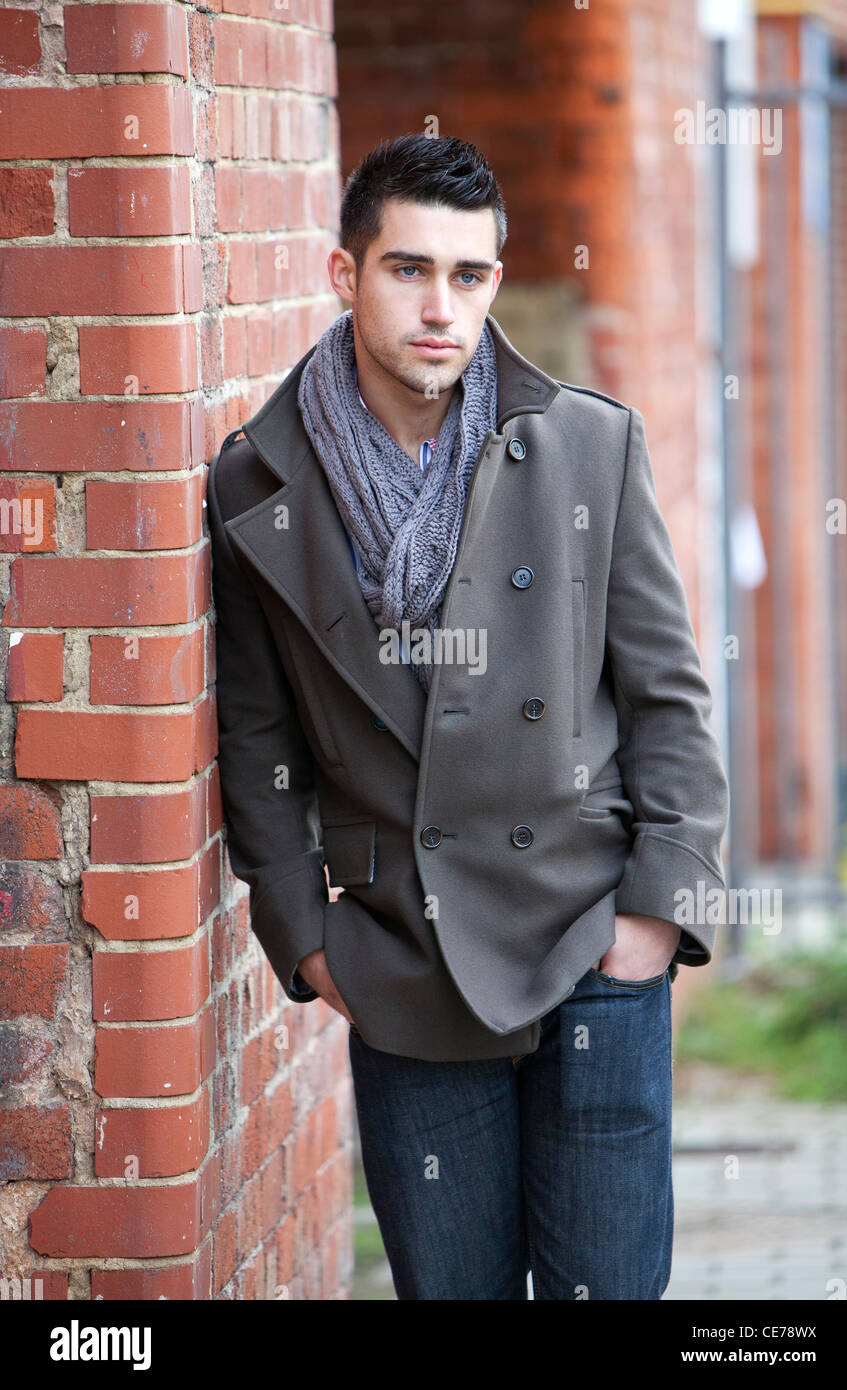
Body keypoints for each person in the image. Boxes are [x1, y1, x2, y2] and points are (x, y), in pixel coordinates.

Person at [207, 134, 730, 1299]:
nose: (439, 307)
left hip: (591, 933)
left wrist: (656, 912)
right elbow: (257, 734)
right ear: (345, 276)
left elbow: (669, 697)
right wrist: (303, 935)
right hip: (406, 951)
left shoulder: (588, 445)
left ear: (494, 279)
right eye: (407, 270)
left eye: (468, 275)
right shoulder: (259, 481)